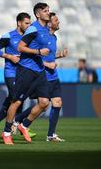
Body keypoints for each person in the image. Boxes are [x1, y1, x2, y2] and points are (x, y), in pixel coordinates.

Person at [1, 2, 51, 145]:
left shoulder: (46, 29)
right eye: (45, 11)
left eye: (49, 10)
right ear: (38, 14)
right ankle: (6, 132)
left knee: (44, 102)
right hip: (26, 70)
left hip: (39, 70)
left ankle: (24, 125)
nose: (48, 12)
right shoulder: (33, 29)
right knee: (16, 102)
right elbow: (20, 47)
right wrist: (38, 52)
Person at [0, 12, 36, 140]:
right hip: (10, 73)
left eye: (30, 23)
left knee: (15, 100)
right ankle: (14, 125)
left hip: (23, 73)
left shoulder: (29, 37)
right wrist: (9, 56)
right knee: (16, 100)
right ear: (19, 23)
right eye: (26, 23)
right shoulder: (8, 36)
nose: (29, 25)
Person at [42, 12, 68, 142]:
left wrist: (59, 55)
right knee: (43, 104)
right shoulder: (41, 37)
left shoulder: (54, 37)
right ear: (49, 23)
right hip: (44, 76)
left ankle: (50, 135)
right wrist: (48, 65)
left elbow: (50, 56)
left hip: (54, 76)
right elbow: (33, 58)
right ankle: (19, 122)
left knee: (58, 103)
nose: (59, 22)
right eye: (56, 20)